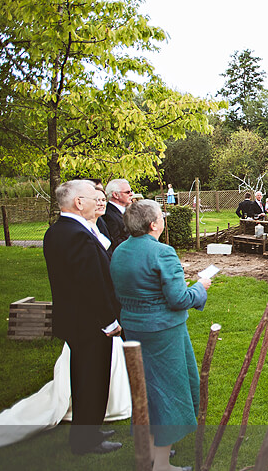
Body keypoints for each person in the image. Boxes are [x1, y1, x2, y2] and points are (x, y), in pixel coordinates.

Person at [110, 200, 209, 471]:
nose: (163, 219)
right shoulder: (163, 252)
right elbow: (178, 299)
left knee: (146, 391)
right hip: (163, 333)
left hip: (133, 328)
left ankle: (152, 451)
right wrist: (200, 289)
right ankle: (162, 465)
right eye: (161, 216)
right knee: (167, 393)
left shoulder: (119, 250)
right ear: (153, 224)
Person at [43, 180, 122, 455]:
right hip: (89, 322)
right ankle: (85, 440)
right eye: (93, 197)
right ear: (79, 202)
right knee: (92, 380)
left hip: (76, 320)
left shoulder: (58, 231)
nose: (98, 201)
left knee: (86, 378)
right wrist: (109, 320)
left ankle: (89, 428)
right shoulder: (76, 234)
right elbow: (91, 283)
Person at [104, 178, 133, 253]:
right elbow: (115, 242)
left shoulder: (125, 211)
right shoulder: (108, 215)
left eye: (131, 191)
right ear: (116, 195)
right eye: (127, 192)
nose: (131, 194)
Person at [90, 187, 113, 256]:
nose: (101, 204)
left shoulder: (100, 223)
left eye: (103, 200)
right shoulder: (83, 225)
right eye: (97, 200)